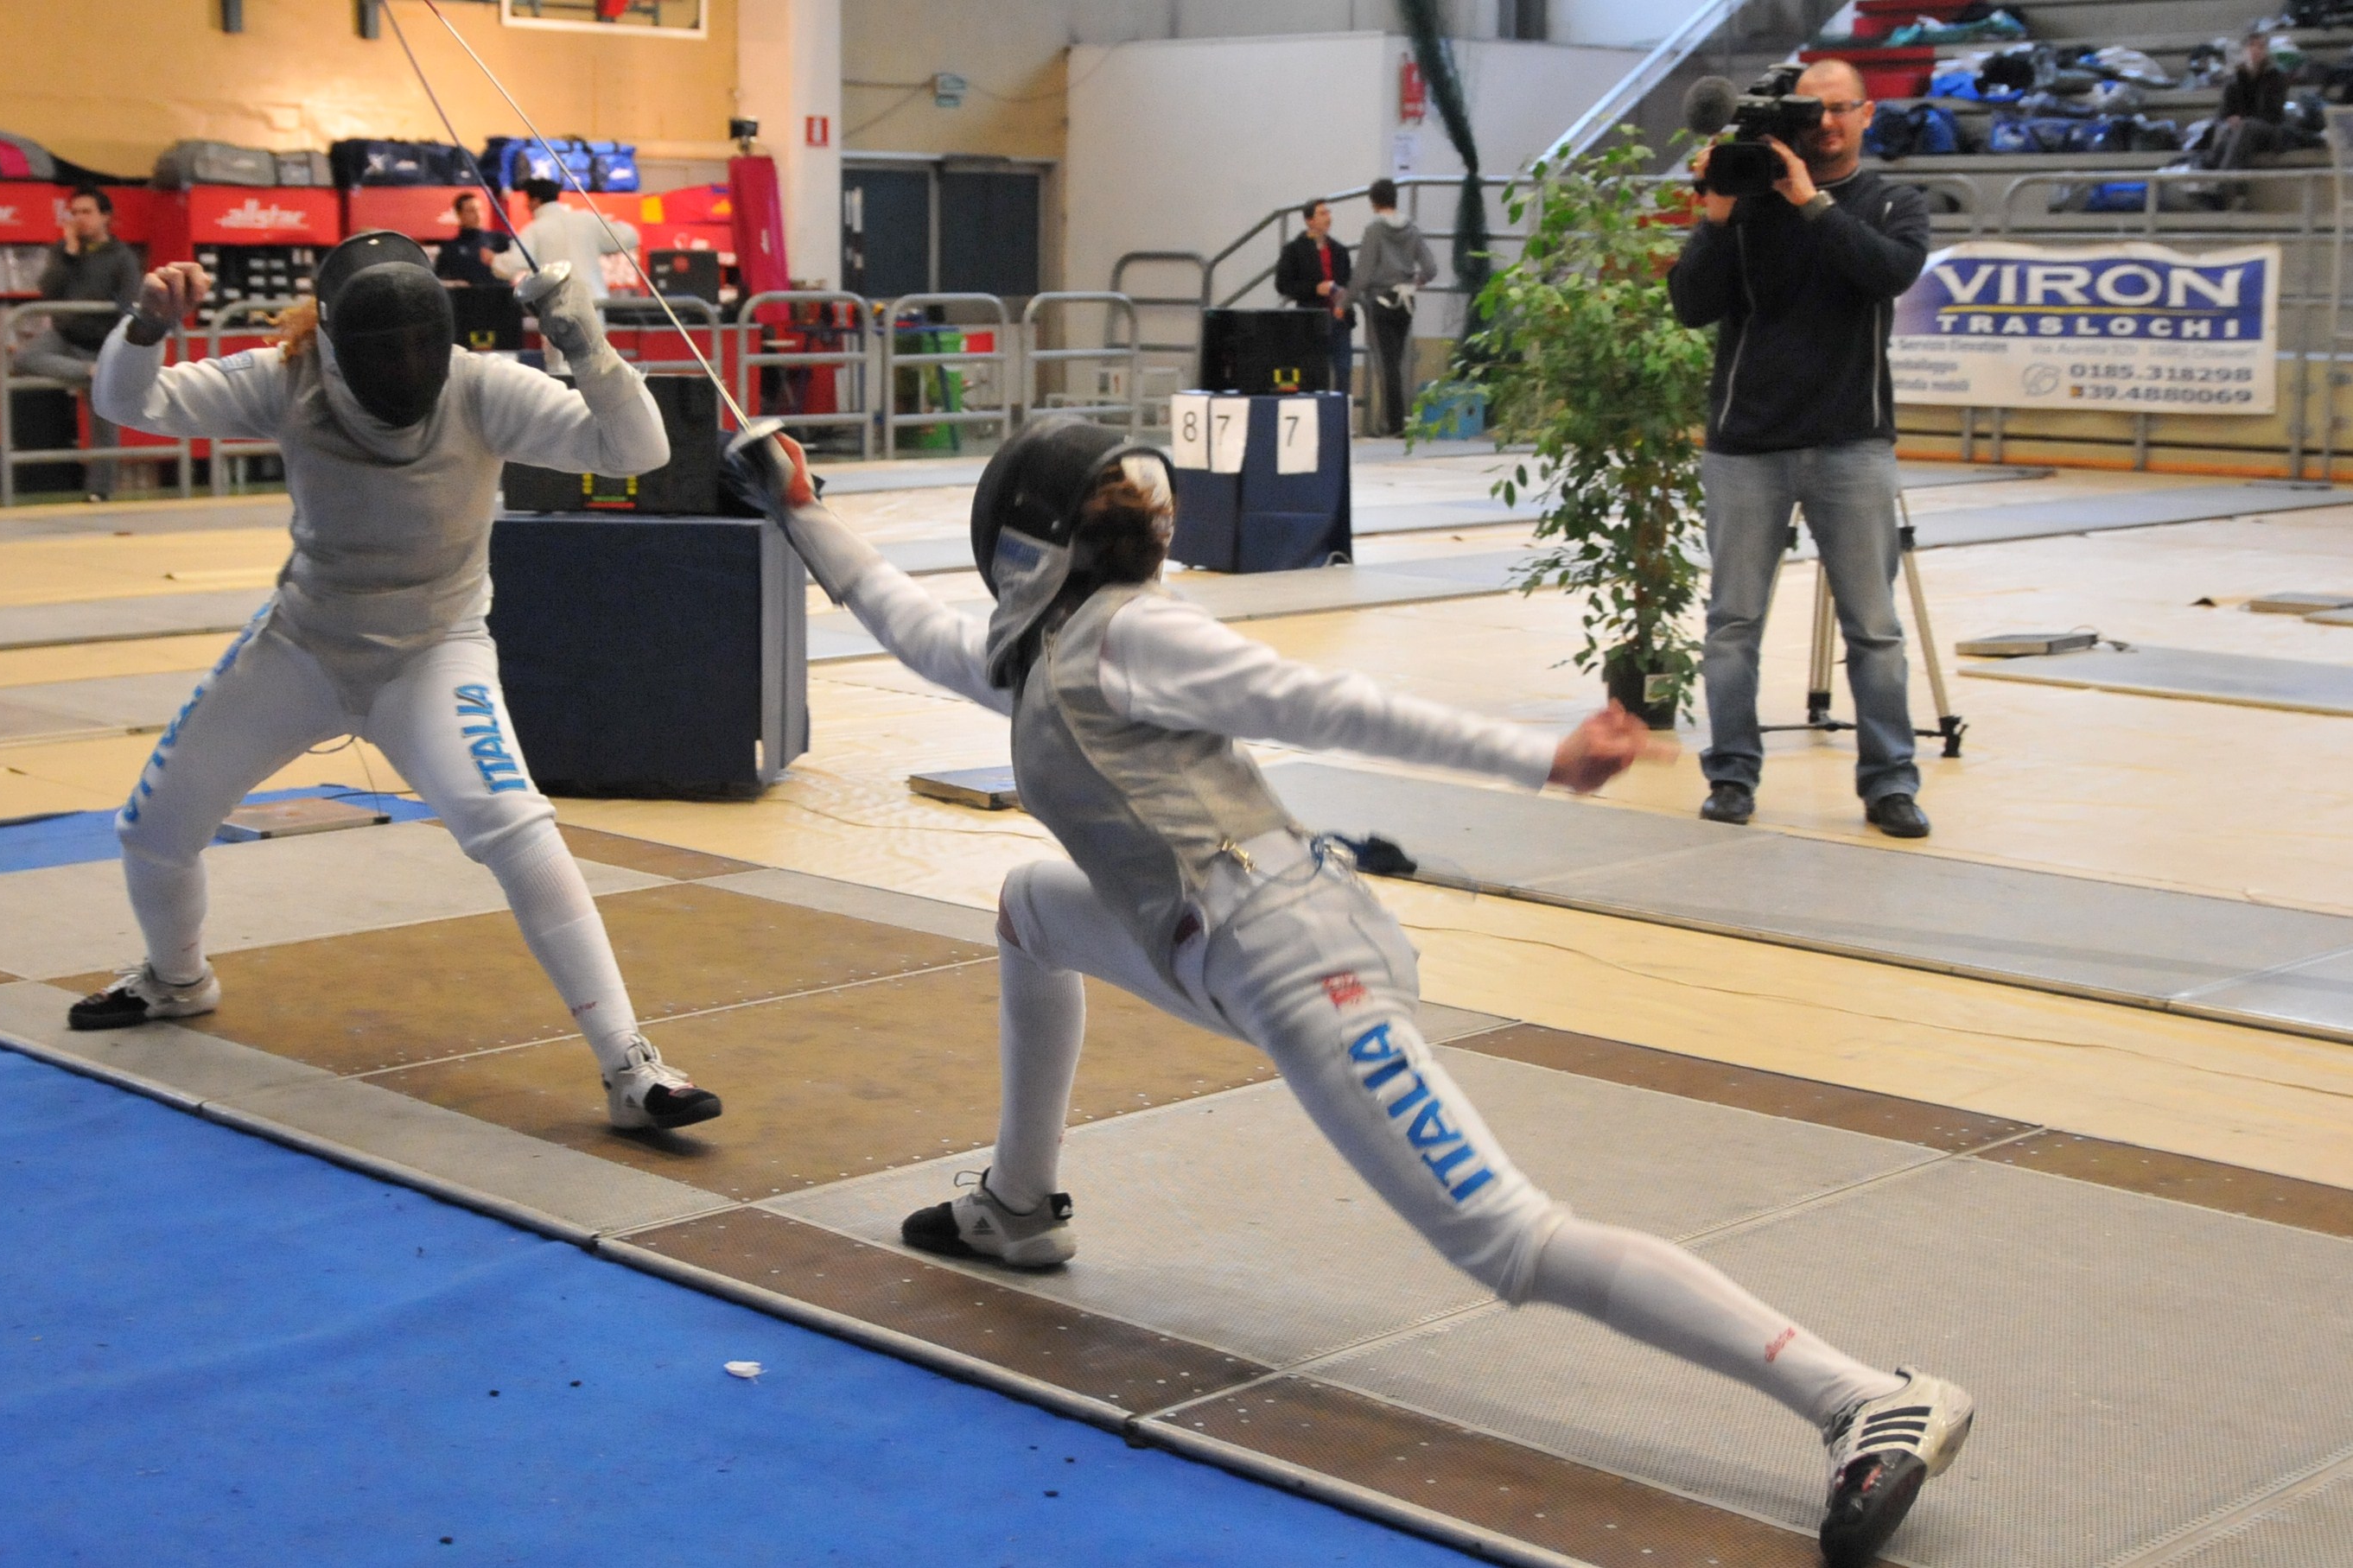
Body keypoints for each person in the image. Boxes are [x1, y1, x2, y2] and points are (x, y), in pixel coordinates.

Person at [732, 416, 1975, 1568]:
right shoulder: (1046, 643)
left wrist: (1539, 756)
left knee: (1509, 1238)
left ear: (1020, 536)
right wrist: (801, 510)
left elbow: (1326, 701)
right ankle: (1017, 1202)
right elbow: (903, 616)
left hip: (1296, 958)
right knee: (1029, 904)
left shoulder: (1134, 633)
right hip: (1207, 944)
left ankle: (1861, 1394)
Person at [78, 232, 722, 1135]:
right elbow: (129, 399)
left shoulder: (479, 385)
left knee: (518, 831)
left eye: (421, 341)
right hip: (304, 644)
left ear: (445, 329)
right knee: (153, 830)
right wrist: (146, 326)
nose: (407, 364)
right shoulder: (286, 376)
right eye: (385, 347)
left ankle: (630, 1065)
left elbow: (634, 450)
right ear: (336, 337)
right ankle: (177, 979)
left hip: (433, 652)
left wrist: (590, 347)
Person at [1665, 59, 1934, 839]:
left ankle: (1889, 784)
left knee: (1875, 629)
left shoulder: (1893, 201)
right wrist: (1717, 215)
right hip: (1747, 445)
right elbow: (1690, 305)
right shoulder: (1745, 203)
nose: (1826, 123)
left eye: (1841, 109)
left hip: (1852, 443)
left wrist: (1809, 201)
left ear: (1866, 114)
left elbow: (1887, 273)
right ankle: (1732, 776)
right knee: (1732, 623)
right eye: (1812, 111)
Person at [11, 186, 142, 501]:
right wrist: (68, 254)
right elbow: (48, 290)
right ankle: (88, 371)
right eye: (75, 213)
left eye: (87, 212)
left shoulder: (122, 258)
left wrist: (117, 352)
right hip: (63, 336)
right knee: (23, 359)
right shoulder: (63, 251)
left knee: (104, 419)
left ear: (105, 217)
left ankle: (100, 490)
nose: (79, 219)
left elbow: (129, 305)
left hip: (100, 341)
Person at [492, 177, 639, 370]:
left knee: (561, 371)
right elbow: (629, 237)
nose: (527, 206)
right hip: (593, 304)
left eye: (528, 201)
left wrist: (493, 260)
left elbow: (511, 265)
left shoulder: (535, 229)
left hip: (557, 308)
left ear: (535, 201)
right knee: (597, 366)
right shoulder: (586, 220)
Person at [1347, 178, 1437, 437]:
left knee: (1385, 364)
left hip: (1381, 299)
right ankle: (1397, 420)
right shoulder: (1412, 227)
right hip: (1406, 301)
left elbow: (1363, 272)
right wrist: (1416, 281)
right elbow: (1430, 268)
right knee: (1397, 360)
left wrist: (1346, 300)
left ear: (1374, 202)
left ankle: (1394, 422)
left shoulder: (1374, 229)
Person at [1274, 198, 1353, 396]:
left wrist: (1343, 297)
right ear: (1309, 220)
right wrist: (1314, 289)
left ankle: (1341, 416)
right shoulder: (1294, 250)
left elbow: (1348, 281)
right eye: (1322, 213)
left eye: (1328, 212)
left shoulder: (1339, 250)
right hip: (1311, 318)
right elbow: (1283, 284)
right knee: (1313, 371)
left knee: (1344, 369)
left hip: (1338, 316)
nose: (1328, 217)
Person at [2205, 32, 2290, 170]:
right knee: (2227, 135)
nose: (2255, 50)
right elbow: (2221, 115)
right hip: (2240, 133)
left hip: (2268, 131)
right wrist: (2229, 120)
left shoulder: (2276, 78)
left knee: (2245, 127)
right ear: (2244, 50)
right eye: (2251, 45)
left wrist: (2243, 121)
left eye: (2261, 46)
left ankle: (2224, 182)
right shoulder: (2234, 80)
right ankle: (2231, 184)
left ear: (2266, 52)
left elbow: (2274, 115)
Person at [433, 189, 506, 289]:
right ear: (460, 215)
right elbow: (438, 279)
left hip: (501, 298)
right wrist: (454, 284)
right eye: (471, 210)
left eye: (479, 209)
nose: (477, 214)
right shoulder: (451, 248)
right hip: (467, 299)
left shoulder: (500, 240)